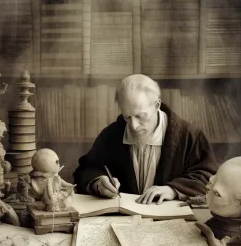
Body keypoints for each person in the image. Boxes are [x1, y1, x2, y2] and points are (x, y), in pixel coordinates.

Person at [73, 74, 218, 204]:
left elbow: (208, 177)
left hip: (171, 222)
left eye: (140, 116)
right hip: (123, 222)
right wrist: (98, 182)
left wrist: (173, 189)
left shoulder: (189, 135)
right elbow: (86, 169)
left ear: (157, 105)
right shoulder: (112, 134)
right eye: (127, 117)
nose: (133, 126)